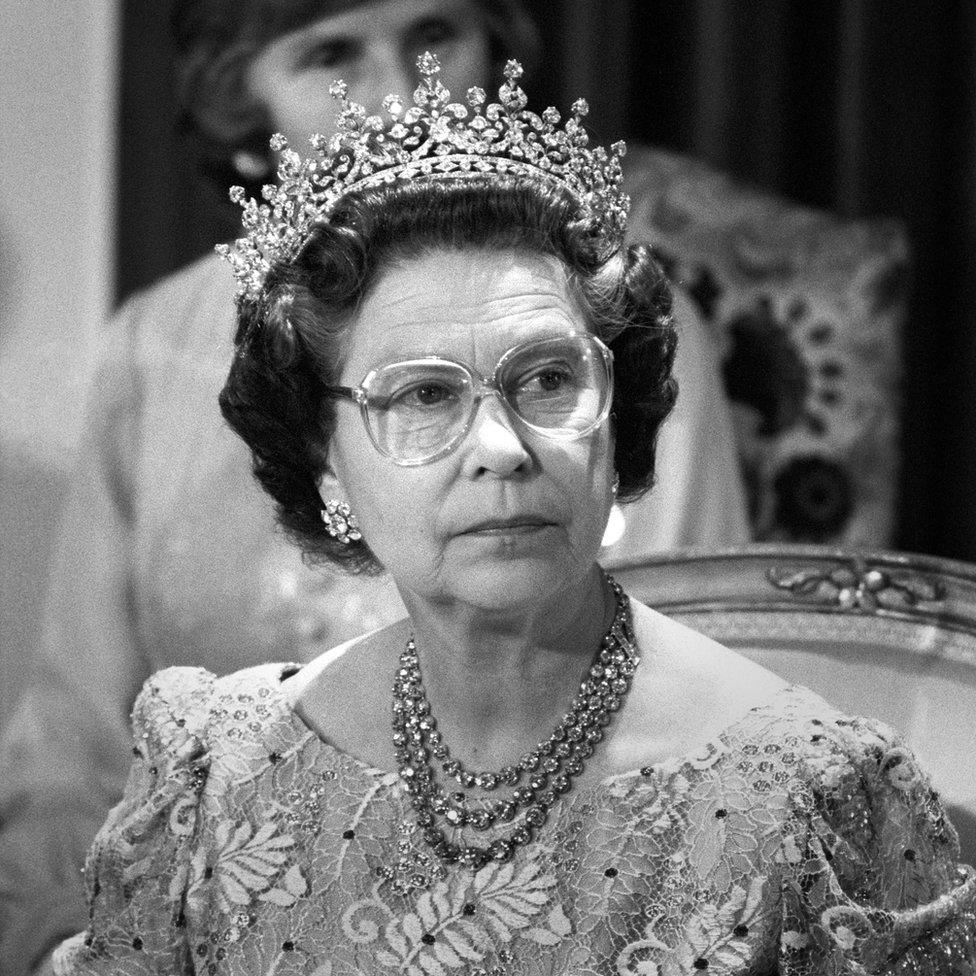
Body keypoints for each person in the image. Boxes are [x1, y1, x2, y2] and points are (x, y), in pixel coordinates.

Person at [49, 55, 975, 975]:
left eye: (546, 380)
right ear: (323, 457)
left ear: (620, 425)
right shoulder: (216, 780)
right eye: (421, 396)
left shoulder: (814, 798)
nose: (501, 444)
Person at [0, 3, 745, 973]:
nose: (400, 96)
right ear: (242, 99)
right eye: (331, 55)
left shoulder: (607, 335)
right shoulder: (152, 350)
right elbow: (72, 763)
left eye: (436, 33)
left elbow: (703, 734)